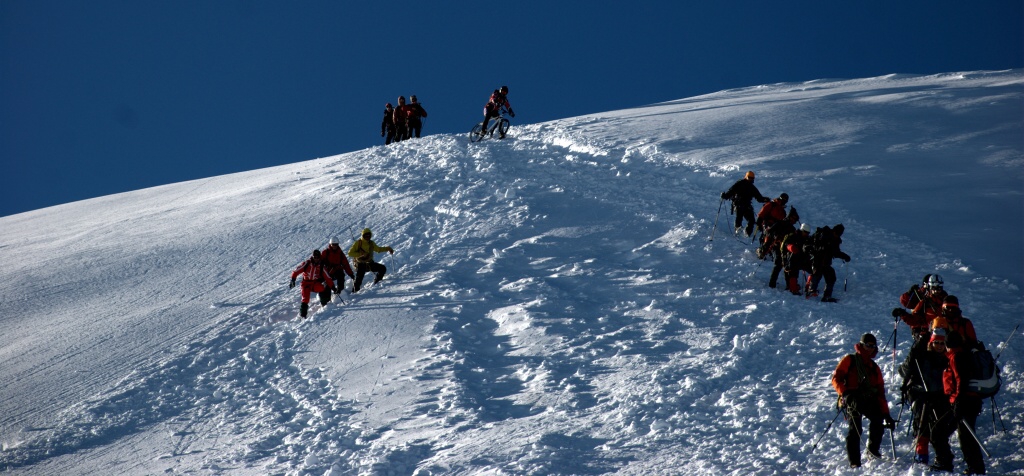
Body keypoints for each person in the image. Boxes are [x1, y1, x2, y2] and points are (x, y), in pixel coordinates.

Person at [832, 333, 897, 468]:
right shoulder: (849, 360)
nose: (870, 348)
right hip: (851, 399)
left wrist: (886, 414)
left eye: (873, 346)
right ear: (861, 345)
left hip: (868, 399)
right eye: (868, 345)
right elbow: (836, 379)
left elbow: (880, 393)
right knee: (855, 428)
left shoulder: (874, 367)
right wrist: (845, 394)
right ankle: (854, 462)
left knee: (878, 420)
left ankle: (873, 451)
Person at [930, 330, 985, 474]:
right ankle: (974, 466)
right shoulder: (963, 354)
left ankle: (950, 462)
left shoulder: (955, 357)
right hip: (968, 401)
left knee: (941, 432)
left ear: (948, 344)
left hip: (963, 402)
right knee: (964, 435)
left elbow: (961, 379)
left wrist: (959, 400)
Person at [898, 328, 949, 465]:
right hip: (922, 394)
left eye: (942, 343)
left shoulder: (948, 359)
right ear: (931, 343)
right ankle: (922, 455)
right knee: (922, 425)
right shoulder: (921, 356)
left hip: (940, 396)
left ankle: (942, 457)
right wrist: (914, 350)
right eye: (936, 342)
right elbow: (904, 370)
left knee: (939, 428)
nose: (939, 346)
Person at [806, 224, 851, 302]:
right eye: (837, 233)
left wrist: (845, 256)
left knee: (831, 277)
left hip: (825, 262)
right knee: (817, 275)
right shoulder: (823, 234)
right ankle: (811, 291)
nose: (837, 235)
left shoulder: (835, 240)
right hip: (817, 259)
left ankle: (826, 295)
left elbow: (835, 252)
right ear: (834, 231)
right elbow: (810, 244)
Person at [289, 249, 337, 319]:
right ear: (312, 257)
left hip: (314, 283)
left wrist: (333, 287)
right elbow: (296, 271)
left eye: (317, 257)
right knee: (305, 299)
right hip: (305, 283)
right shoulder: (307, 264)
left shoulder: (321, 266)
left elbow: (327, 277)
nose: (316, 259)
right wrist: (293, 280)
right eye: (315, 257)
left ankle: (324, 304)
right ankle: (303, 315)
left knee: (322, 288)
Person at [721, 171, 769, 237]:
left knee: (751, 220)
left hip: (747, 205)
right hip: (738, 204)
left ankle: (747, 233)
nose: (751, 179)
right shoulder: (739, 184)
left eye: (752, 178)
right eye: (749, 177)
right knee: (739, 217)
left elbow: (759, 198)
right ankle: (738, 230)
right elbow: (731, 191)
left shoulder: (752, 187)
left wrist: (765, 199)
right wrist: (725, 196)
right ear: (746, 177)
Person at [347, 228, 394, 292]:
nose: (367, 237)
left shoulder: (371, 243)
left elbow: (378, 249)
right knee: (359, 278)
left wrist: (388, 248)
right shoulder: (358, 243)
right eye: (365, 235)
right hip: (360, 263)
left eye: (368, 235)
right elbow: (350, 253)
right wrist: (361, 254)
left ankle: (377, 284)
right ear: (363, 235)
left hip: (369, 263)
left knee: (382, 268)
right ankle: (355, 291)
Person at [762, 207, 799, 286]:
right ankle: (772, 283)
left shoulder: (791, 228)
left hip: (785, 248)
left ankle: (788, 285)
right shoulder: (779, 223)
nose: (795, 222)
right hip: (776, 245)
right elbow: (769, 232)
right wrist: (775, 236)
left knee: (786, 265)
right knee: (778, 264)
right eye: (794, 219)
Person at [779, 223, 812, 295]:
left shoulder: (808, 238)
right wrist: (791, 247)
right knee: (793, 272)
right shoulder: (793, 236)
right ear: (802, 230)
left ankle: (809, 286)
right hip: (793, 258)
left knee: (813, 270)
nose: (806, 234)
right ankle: (793, 289)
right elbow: (786, 244)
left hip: (803, 258)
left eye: (808, 233)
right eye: (805, 232)